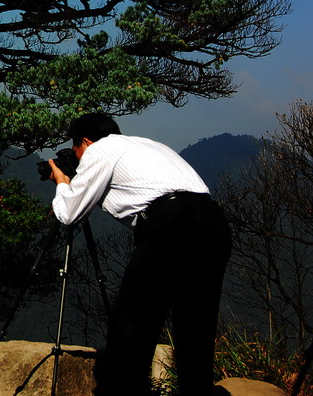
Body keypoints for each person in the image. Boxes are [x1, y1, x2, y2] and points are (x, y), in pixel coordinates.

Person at [48, 112, 231, 396]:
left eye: (76, 150)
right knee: (195, 326)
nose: (77, 156)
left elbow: (70, 213)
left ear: (85, 142)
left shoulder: (100, 149)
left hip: (171, 225)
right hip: (214, 223)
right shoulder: (150, 145)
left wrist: (62, 182)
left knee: (132, 324)